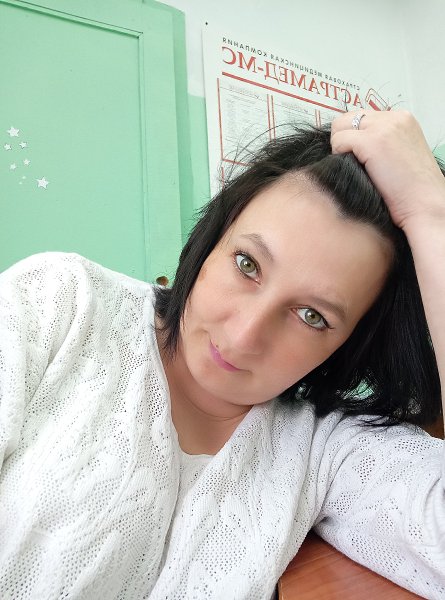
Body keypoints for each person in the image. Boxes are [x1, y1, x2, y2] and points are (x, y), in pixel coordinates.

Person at [0, 110, 444, 599]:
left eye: (311, 316)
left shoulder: (326, 448)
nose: (244, 334)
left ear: (350, 344)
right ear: (215, 235)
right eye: (247, 264)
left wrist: (432, 213)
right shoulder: (62, 302)